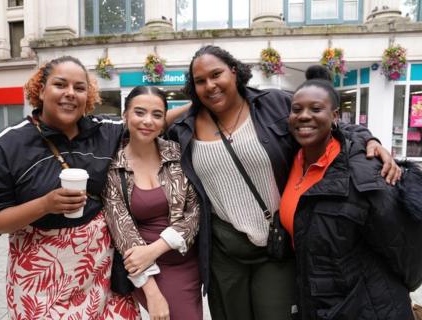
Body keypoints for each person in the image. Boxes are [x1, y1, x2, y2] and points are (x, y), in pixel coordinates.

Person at [166, 45, 401, 320]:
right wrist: (189, 106)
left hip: (274, 248)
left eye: (216, 74)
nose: (210, 85)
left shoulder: (273, 104)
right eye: (200, 81)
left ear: (233, 71)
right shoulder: (183, 127)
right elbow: (143, 124)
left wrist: (369, 140)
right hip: (223, 252)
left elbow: (322, 118)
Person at [0, 56, 186, 319]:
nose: (70, 93)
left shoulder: (105, 131)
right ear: (41, 89)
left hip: (103, 276)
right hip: (42, 281)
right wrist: (45, 205)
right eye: (60, 84)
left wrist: (201, 103)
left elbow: (150, 121)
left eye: (79, 88)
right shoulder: (7, 146)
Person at [280, 65, 422, 319]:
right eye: (297, 109)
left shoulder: (366, 174)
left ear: (335, 116)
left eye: (315, 109)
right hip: (316, 302)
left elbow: (407, 254)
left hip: (368, 307)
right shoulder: (291, 158)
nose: (304, 116)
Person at [103, 86, 202, 320]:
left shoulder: (176, 153)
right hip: (145, 268)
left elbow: (194, 213)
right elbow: (123, 232)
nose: (148, 121)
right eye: (139, 112)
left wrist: (155, 248)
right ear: (125, 116)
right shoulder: (112, 166)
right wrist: (153, 293)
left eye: (157, 115)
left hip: (185, 259)